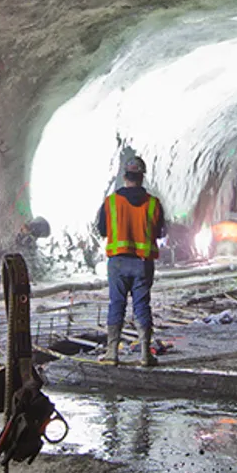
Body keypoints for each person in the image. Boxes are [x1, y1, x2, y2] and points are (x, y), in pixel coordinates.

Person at [95, 156, 166, 367]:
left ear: (124, 176)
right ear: (142, 177)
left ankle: (112, 353)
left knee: (117, 303)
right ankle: (145, 354)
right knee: (142, 305)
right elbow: (161, 231)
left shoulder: (111, 202)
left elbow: (101, 229)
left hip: (118, 261)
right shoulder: (153, 203)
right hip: (142, 263)